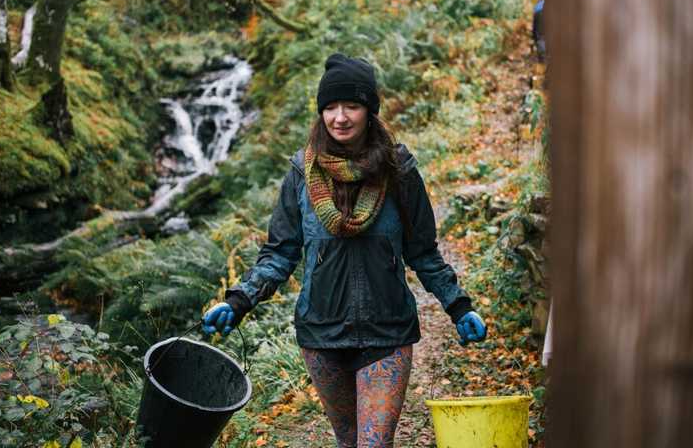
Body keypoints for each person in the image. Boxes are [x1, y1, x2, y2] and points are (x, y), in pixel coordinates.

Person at [202, 53, 487, 448]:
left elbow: (423, 252)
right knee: (349, 442)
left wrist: (459, 306)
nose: (340, 117)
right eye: (330, 107)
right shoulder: (301, 174)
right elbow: (280, 253)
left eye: (351, 105)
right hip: (321, 336)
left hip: (387, 333)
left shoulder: (399, 173)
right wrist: (238, 301)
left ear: (369, 110)